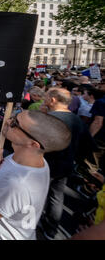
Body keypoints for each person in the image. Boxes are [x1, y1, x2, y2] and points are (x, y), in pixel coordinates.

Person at [0, 110, 71, 240]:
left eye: (15, 123)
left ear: (33, 144)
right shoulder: (38, 161)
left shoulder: (18, 183)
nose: (8, 121)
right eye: (14, 117)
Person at [38, 87, 91, 240]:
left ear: (53, 100)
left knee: (38, 194)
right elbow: (88, 145)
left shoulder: (50, 118)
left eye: (46, 96)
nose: (44, 99)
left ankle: (32, 223)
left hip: (45, 164)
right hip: (65, 165)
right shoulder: (76, 119)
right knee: (56, 196)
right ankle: (51, 229)